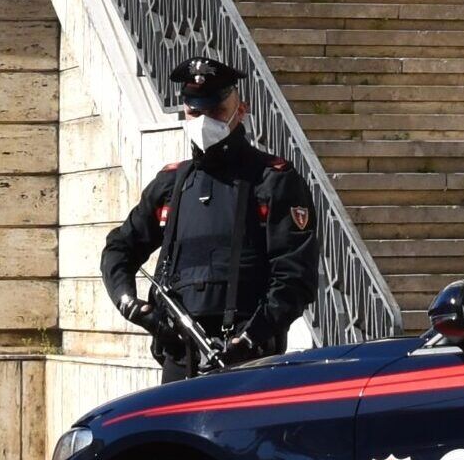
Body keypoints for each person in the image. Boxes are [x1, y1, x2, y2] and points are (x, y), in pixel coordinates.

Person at [101, 57, 319, 384]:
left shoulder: (272, 181)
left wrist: (250, 337)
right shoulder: (171, 185)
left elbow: (294, 276)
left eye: (215, 111)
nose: (203, 121)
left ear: (240, 110)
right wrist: (136, 309)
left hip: (248, 358)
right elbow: (118, 249)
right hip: (179, 354)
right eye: (194, 112)